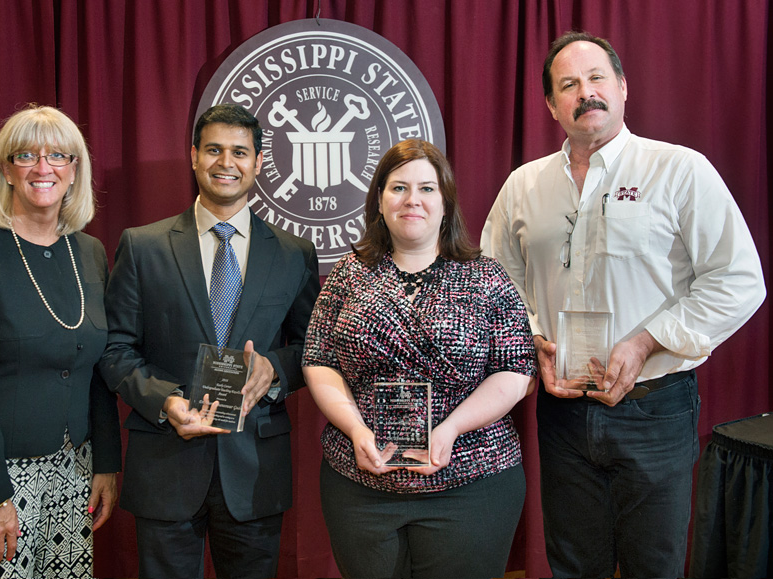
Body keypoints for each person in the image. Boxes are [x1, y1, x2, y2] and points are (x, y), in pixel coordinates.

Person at [481, 31, 766, 578]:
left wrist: (646, 341)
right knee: (572, 563)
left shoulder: (681, 170)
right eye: (568, 85)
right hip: (561, 408)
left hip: (655, 407)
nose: (585, 93)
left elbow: (739, 279)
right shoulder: (523, 186)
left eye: (596, 79)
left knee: (652, 565)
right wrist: (532, 338)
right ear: (550, 104)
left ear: (623, 88)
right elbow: (497, 282)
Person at [99, 103, 320, 579]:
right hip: (165, 459)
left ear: (259, 162)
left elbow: (313, 348)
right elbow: (115, 349)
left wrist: (275, 371)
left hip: (254, 468)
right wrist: (166, 402)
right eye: (214, 149)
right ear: (193, 156)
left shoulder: (293, 253)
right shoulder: (143, 246)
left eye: (240, 152)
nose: (227, 162)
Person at [303, 139, 536, 578]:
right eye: (399, 188)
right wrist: (354, 429)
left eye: (427, 189)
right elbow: (319, 360)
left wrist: (449, 429)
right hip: (360, 487)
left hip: (473, 484)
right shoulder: (347, 274)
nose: (413, 199)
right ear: (379, 200)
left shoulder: (485, 277)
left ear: (446, 203)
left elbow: (515, 370)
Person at [0, 104, 122, 578]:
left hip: (73, 469)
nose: (43, 167)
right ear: (6, 170)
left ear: (75, 171)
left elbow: (95, 365)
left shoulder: (89, 252)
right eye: (26, 155)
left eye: (58, 155)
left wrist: (107, 464)